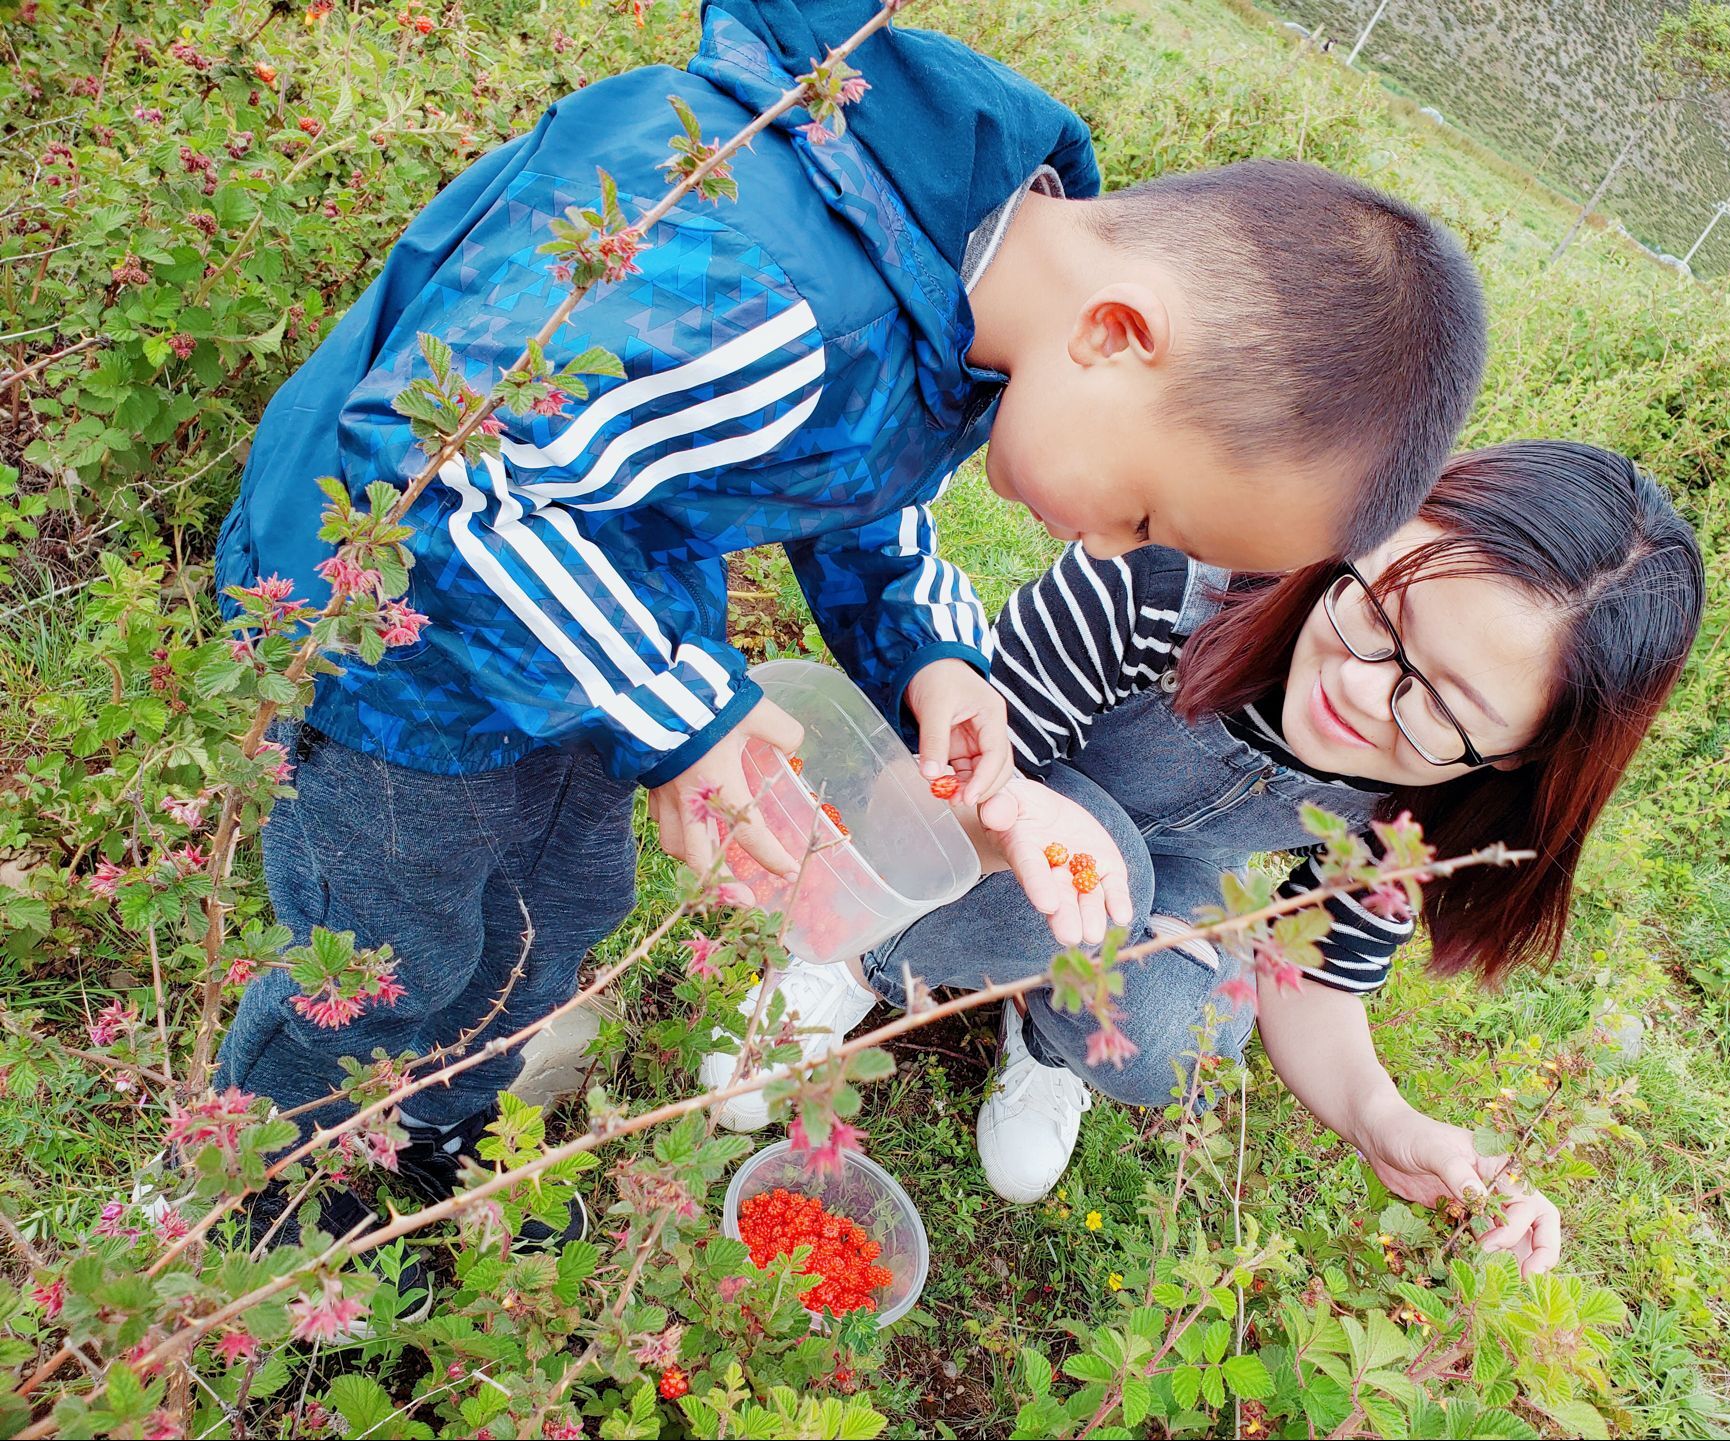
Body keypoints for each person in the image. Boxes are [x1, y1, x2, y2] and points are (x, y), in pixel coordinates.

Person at [211, 0, 1486, 1252]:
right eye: (1148, 513)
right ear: (1117, 336)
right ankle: (251, 1188)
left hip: (581, 633)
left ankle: (427, 1122)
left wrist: (936, 661)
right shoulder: (775, 305)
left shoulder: (960, 293)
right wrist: (685, 712)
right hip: (391, 655)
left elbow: (859, 486)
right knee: (390, 953)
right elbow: (444, 476)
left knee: (562, 903)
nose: (1104, 552)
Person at [730, 442, 1703, 1276]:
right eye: (1382, 611)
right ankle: (858, 954)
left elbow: (1315, 973)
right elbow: (930, 788)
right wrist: (1022, 830)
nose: (1364, 694)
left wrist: (1384, 1120)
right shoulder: (1163, 584)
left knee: (1195, 1033)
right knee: (1099, 873)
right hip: (1003, 799)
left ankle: (1051, 1029)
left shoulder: (1432, 795)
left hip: (1168, 881)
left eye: (1440, 706)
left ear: (1518, 753)